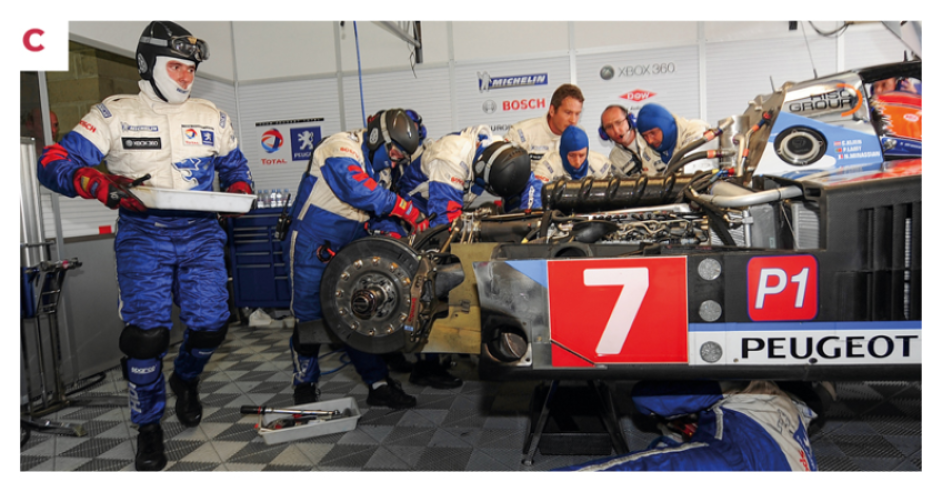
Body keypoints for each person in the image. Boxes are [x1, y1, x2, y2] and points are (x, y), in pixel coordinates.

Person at [36, 21, 253, 472]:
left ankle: (186, 379)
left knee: (212, 326)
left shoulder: (213, 115)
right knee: (146, 337)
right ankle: (149, 427)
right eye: (176, 67)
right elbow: (53, 161)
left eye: (191, 69)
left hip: (201, 235)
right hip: (143, 235)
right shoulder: (114, 114)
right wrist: (93, 181)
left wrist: (237, 189)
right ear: (148, 65)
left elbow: (236, 169)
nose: (186, 77)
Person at [373, 125, 539, 388]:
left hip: (440, 205)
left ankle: (414, 353)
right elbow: (444, 225)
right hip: (412, 215)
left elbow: (527, 183)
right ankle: (425, 366)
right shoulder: (449, 159)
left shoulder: (504, 151)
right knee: (435, 279)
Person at [282, 108, 423, 412]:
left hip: (350, 245)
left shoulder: (382, 171)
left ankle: (378, 384)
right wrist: (404, 208)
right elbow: (358, 191)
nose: (396, 161)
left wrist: (396, 234)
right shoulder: (340, 147)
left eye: (402, 157)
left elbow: (376, 215)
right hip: (312, 243)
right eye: (395, 153)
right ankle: (304, 382)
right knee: (308, 319)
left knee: (359, 315)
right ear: (378, 138)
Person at [556, 380, 818, 472]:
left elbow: (646, 398)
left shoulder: (753, 383)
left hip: (745, 459)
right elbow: (668, 449)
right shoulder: (793, 422)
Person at [505, 83, 584, 167]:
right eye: (568, 113)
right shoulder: (522, 133)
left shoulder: (580, 135)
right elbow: (505, 171)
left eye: (577, 114)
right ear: (552, 111)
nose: (573, 120)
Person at [635, 103, 715, 175]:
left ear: (664, 126)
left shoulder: (695, 131)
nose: (650, 140)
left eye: (653, 133)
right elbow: (651, 186)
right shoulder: (648, 152)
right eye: (645, 136)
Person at [533, 126, 613, 183]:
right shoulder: (548, 165)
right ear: (563, 152)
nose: (577, 162)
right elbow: (536, 193)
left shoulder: (602, 164)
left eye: (582, 155)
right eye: (572, 155)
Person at [598, 104, 662, 176]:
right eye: (609, 127)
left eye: (619, 123)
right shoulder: (615, 158)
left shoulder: (656, 138)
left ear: (630, 120)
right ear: (604, 134)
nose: (615, 130)